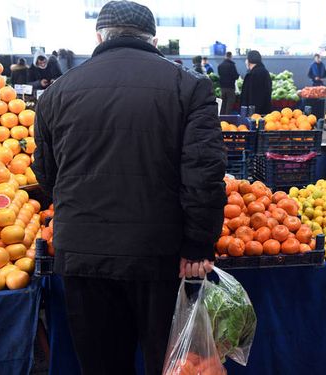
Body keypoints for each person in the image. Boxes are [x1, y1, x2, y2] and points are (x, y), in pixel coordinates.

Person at [31, 1, 226, 373]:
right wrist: (199, 243)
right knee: (166, 362)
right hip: (158, 254)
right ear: (154, 39)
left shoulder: (57, 92)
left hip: (83, 253)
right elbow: (204, 172)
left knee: (102, 364)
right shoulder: (190, 87)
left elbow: (47, 173)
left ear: (99, 36)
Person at [240, 50, 272, 114]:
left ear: (249, 60)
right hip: (265, 111)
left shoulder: (251, 75)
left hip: (253, 113)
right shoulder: (265, 72)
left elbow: (247, 96)